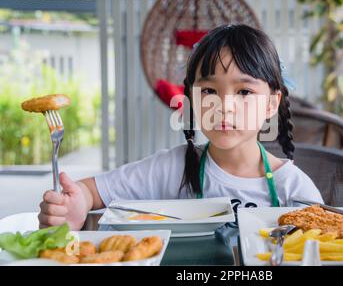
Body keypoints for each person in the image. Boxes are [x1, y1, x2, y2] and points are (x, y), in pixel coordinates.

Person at [38, 24, 323, 231]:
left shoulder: (293, 188)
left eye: (244, 92)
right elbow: (92, 191)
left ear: (272, 104)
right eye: (209, 91)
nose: (225, 106)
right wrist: (74, 207)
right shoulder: (173, 167)